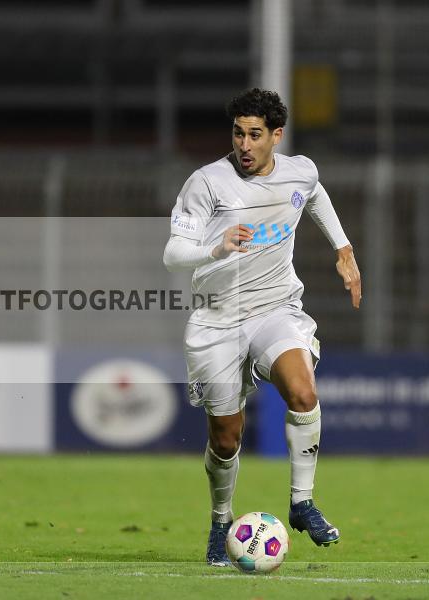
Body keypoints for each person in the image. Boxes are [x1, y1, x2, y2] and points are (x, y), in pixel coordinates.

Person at [163, 88, 361, 566]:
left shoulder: (300, 170)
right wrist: (217, 248)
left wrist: (343, 249)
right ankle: (220, 520)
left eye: (255, 135)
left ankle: (301, 502)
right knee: (226, 437)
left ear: (276, 136)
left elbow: (314, 195)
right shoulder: (207, 182)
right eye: (237, 134)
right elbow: (173, 255)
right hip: (217, 318)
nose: (244, 145)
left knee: (302, 392)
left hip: (276, 308)